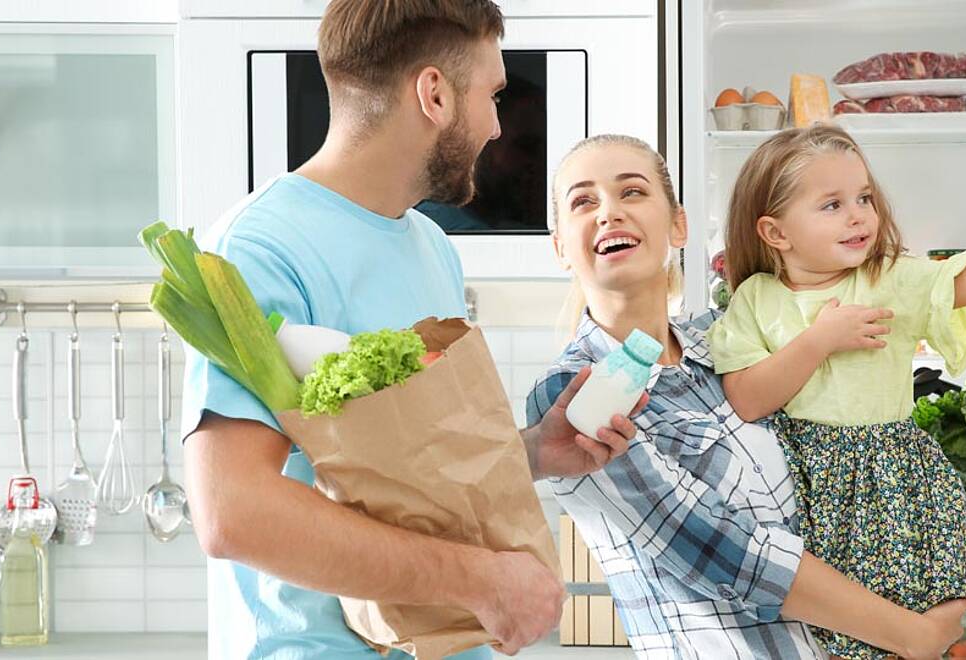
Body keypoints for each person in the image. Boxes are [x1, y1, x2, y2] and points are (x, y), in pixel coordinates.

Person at [181, 3, 642, 657]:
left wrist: (536, 449)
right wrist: (482, 580)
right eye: (492, 95)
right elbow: (236, 512)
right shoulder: (259, 248)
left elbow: (402, 462)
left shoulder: (430, 244)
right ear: (434, 94)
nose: (493, 127)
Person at [527, 134, 966, 659]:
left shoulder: (727, 345)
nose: (609, 213)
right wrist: (911, 635)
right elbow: (720, 549)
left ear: (678, 225)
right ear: (560, 247)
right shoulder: (572, 394)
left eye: (632, 192)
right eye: (584, 202)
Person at [707, 124, 966, 657]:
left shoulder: (890, 279)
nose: (859, 215)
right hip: (805, 483)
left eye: (865, 198)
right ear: (776, 233)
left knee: (931, 595)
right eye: (832, 204)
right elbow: (748, 398)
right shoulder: (756, 298)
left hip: (895, 475)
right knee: (842, 624)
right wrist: (820, 340)